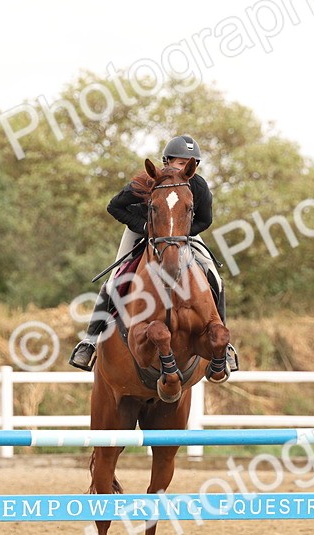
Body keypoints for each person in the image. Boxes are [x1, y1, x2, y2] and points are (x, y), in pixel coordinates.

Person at [69, 135, 237, 371]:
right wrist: (147, 228)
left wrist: (178, 234)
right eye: (180, 163)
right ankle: (90, 341)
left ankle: (226, 348)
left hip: (180, 234)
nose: (185, 168)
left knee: (214, 276)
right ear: (166, 161)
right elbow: (114, 207)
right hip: (142, 230)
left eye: (191, 164)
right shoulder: (145, 182)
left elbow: (206, 220)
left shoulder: (198, 186)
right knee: (115, 279)